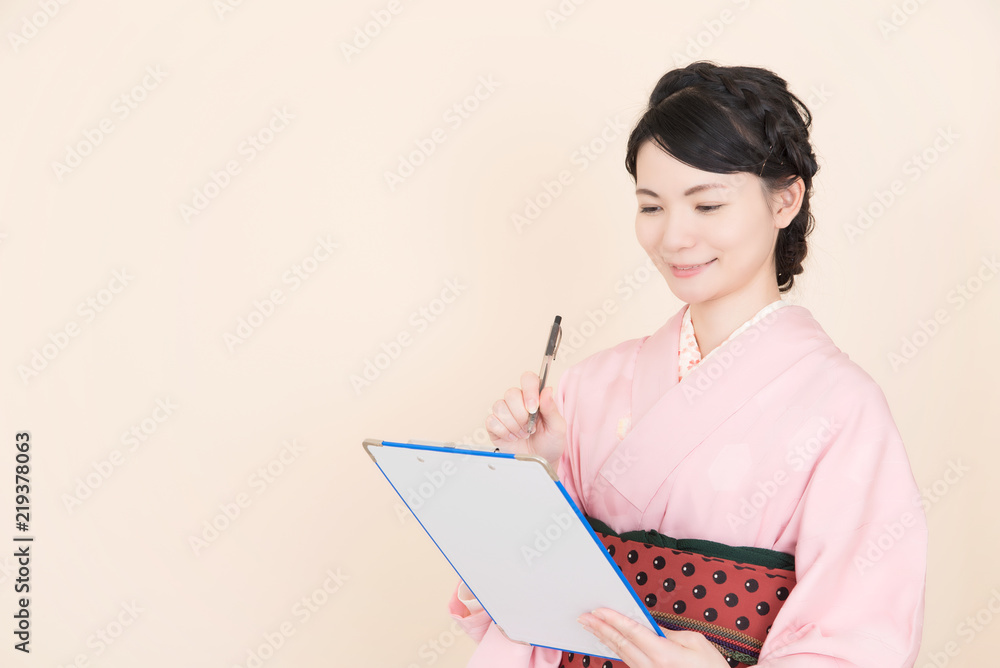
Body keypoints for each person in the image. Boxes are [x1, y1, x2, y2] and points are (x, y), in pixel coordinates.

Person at [446, 61, 927, 667]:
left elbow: (859, 638)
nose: (673, 237)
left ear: (785, 199)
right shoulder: (588, 387)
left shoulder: (843, 408)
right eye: (652, 208)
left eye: (707, 205)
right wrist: (530, 478)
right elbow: (522, 603)